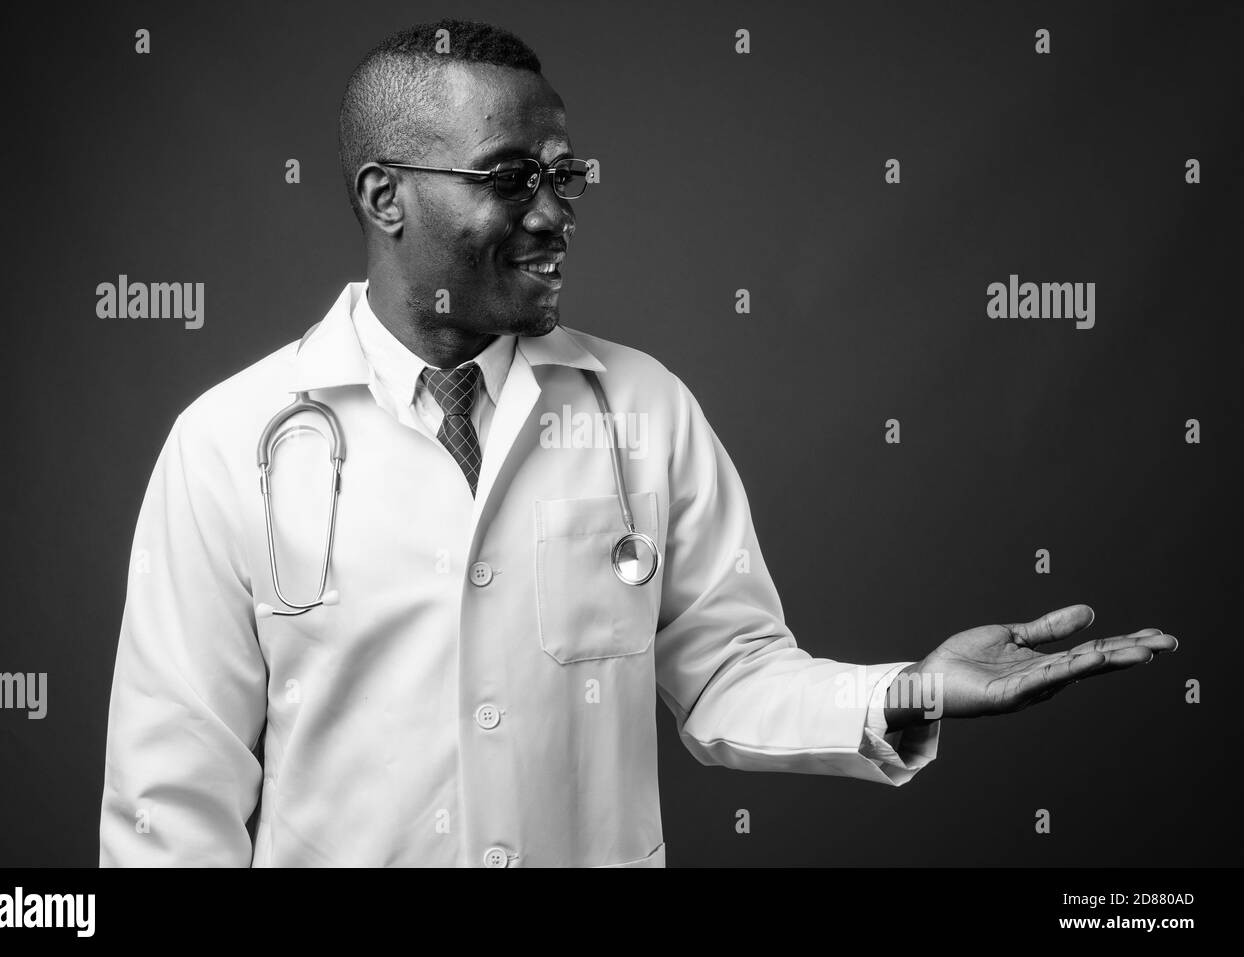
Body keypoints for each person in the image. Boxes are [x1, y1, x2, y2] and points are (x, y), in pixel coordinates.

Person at [98, 18, 1177, 868]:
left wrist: (913, 689)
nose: (556, 213)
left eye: (564, 176)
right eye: (510, 177)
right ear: (386, 195)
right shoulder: (230, 441)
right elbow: (171, 804)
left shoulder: (640, 408)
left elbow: (727, 680)